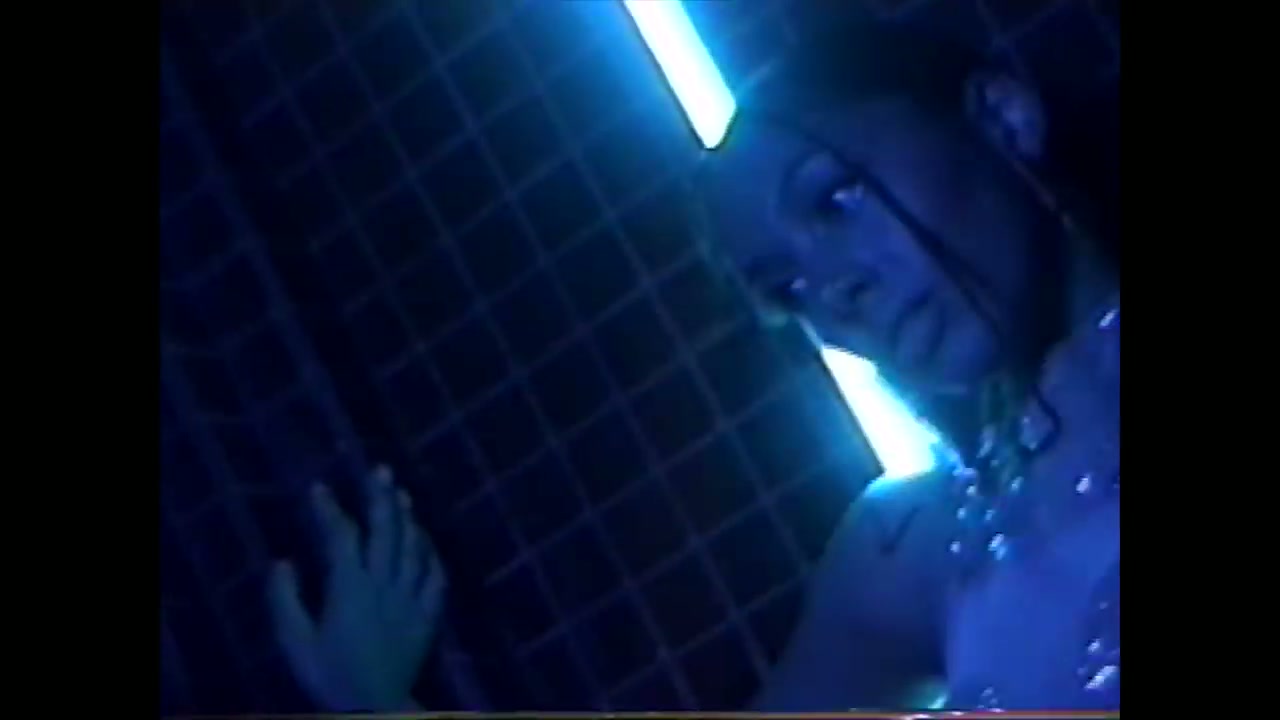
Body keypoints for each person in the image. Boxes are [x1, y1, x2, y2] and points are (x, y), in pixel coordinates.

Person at [266, 21, 1119, 712]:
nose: (833, 287)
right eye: (787, 288)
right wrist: (373, 700)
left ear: (1001, 114)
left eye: (835, 199)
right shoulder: (915, 547)